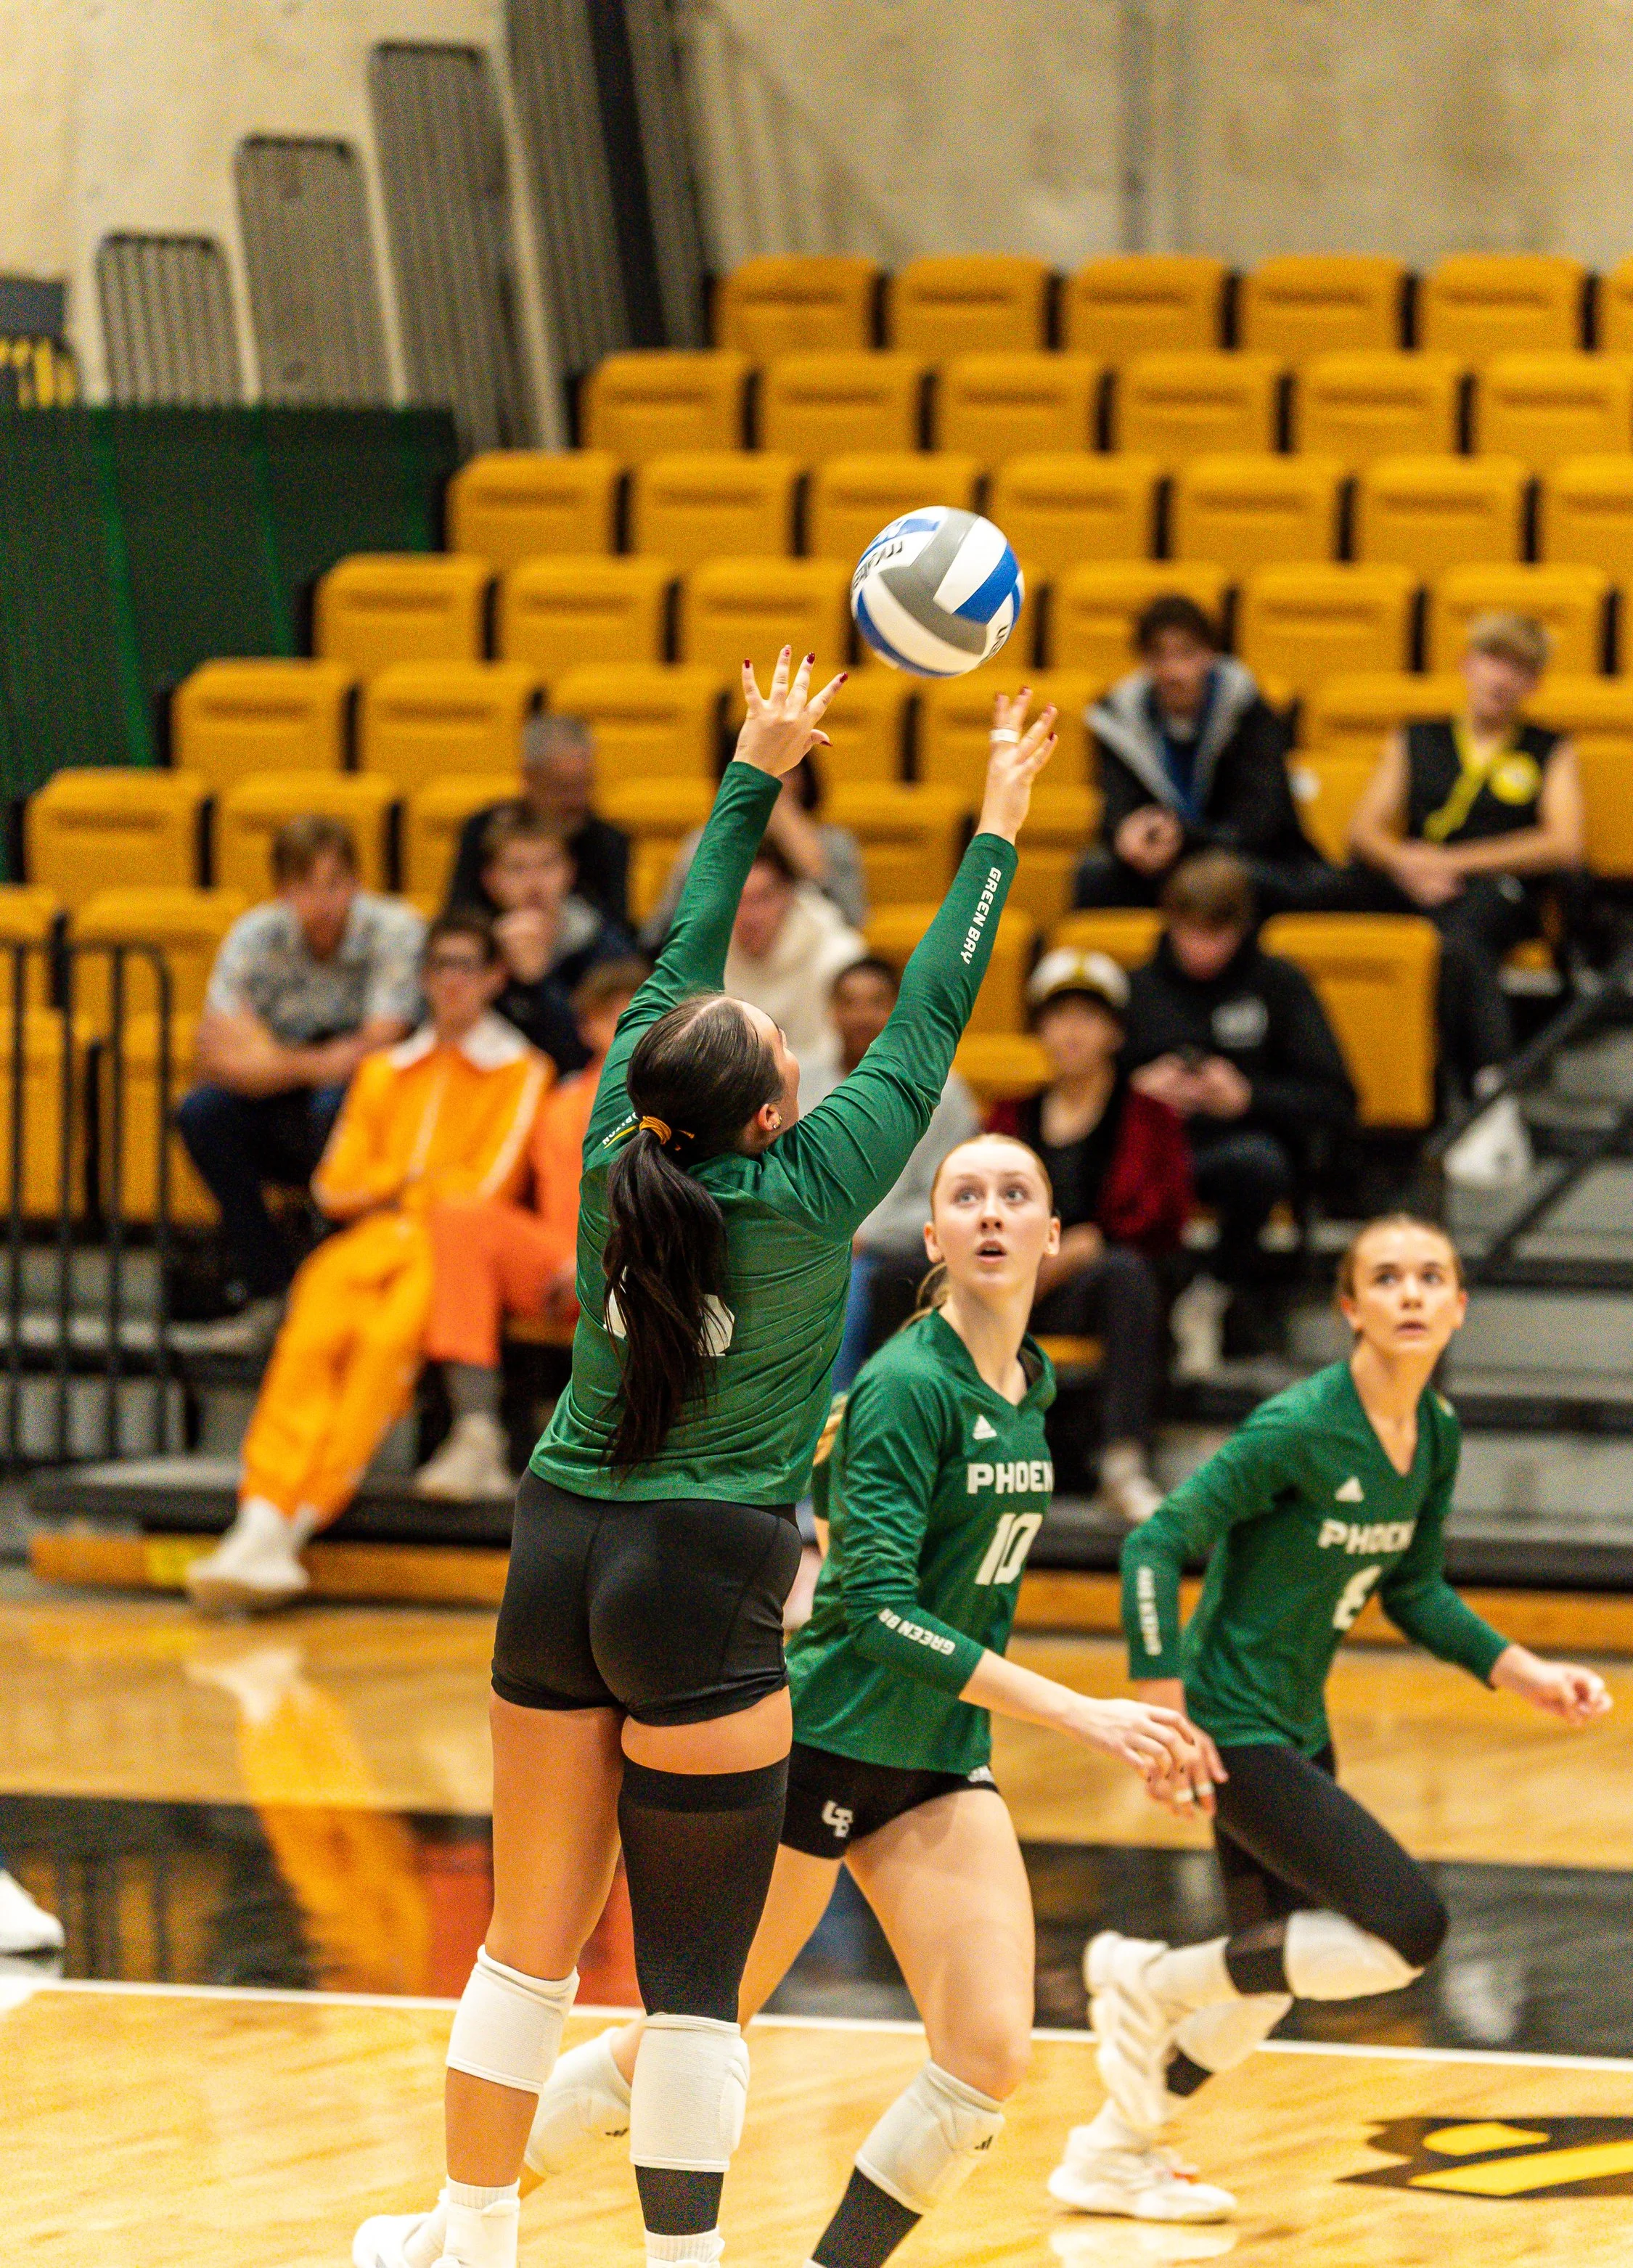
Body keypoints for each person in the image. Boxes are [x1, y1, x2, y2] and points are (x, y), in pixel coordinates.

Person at [354, 654, 1055, 2268]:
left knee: (522, 1958)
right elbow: (935, 998)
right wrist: (996, 818)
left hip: (557, 1545)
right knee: (685, 1978)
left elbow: (679, 948)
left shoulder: (617, 1140)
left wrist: (752, 772)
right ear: (768, 1104)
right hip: (705, 1573)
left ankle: (470, 2235)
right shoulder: (816, 1187)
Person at [353, 1134, 1221, 2268]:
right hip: (821, 1745)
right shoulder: (912, 1384)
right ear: (936, 1236)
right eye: (968, 1195)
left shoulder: (1032, 1386)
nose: (994, 1213)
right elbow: (874, 1610)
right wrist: (1084, 1711)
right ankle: (448, 2228)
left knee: (987, 2057)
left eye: (1019, 1196)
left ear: (1056, 1239)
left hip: (937, 1758)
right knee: (677, 2041)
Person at [1057, 1215, 1612, 2212]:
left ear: (1458, 1306)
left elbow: (1415, 1587)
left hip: (1295, 1724)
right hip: (1232, 1726)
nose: (1410, 1292)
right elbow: (1156, 1542)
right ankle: (1144, 1977)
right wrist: (1161, 1699)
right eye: (1386, 1277)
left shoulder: (1434, 1432)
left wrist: (1522, 1670)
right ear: (1350, 1307)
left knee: (1266, 1981)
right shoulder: (1300, 1427)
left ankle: (1112, 2144)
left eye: (1430, 1276)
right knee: (1407, 1928)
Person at [182, 913, 554, 1615]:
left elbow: (486, 1184)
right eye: (440, 967)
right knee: (311, 1335)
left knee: (385, 1347)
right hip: (372, 1239)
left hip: (445, 1245)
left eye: (467, 967)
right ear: (423, 978)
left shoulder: (519, 1069)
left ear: (495, 979)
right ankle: (259, 1514)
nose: (452, 982)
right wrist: (407, 1183)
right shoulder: (384, 1069)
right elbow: (332, 1183)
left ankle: (296, 1522)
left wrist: (394, 1183)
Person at [1346, 610, 1586, 1188]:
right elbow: (1364, 829)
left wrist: (1452, 862)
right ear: (1466, 665)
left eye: (1520, 668)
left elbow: (1564, 842)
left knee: (1460, 940)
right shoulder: (1417, 736)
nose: (1502, 678)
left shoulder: (1550, 749)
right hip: (1414, 882)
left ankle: (1490, 1093)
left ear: (1535, 684)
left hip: (1497, 891)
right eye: (1493, 661)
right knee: (1324, 898)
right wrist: (1406, 862)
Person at [179, 816, 423, 1336]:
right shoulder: (253, 934)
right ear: (281, 891)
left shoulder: (396, 928)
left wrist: (269, 1057)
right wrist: (313, 1063)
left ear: (356, 883)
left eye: (334, 883)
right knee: (201, 1113)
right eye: (303, 887)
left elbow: (381, 1043)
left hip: (369, 1102)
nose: (321, 901)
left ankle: (348, 1288)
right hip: (283, 1095)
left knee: (334, 1103)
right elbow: (214, 1056)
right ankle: (270, 1287)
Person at [414, 957, 649, 1500]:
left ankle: (626, 1448)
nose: (625, 1027)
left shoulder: (682, 1106)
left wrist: (600, 1259)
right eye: (609, 1016)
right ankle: (476, 1433)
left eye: (638, 1014)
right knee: (459, 1215)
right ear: (587, 1027)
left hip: (635, 1270)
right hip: (555, 1265)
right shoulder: (559, 1103)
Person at [986, 949, 1193, 1525]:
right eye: (1057, 1017)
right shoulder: (1008, 1114)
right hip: (1013, 1281)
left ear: (1114, 1032)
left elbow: (1165, 1215)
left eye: (1087, 1017)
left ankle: (1123, 1463)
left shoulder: (1150, 1116)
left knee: (1124, 1272)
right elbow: (977, 1201)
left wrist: (1089, 1244)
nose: (1071, 1032)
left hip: (1100, 1289)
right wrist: (1034, 1258)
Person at [1124, 853, 1355, 1358]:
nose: (1201, 949)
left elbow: (1336, 1097)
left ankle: (1216, 1293)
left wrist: (1248, 1096)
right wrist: (1138, 1091)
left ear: (1242, 928)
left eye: (1216, 934)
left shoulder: (1280, 984)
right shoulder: (1138, 987)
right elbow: (1084, 1088)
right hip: (1150, 1153)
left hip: (1238, 1148)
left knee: (1258, 1163)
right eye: (1189, 932)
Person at [1077, 594, 1327, 917]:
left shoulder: (1248, 711)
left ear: (1210, 654)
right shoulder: (1118, 718)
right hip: (1160, 864)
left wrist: (1185, 837)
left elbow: (1263, 821)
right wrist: (1126, 833)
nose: (1173, 671)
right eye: (1159, 656)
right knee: (1094, 875)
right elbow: (1116, 807)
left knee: (1249, 881)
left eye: (1185, 654)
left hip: (1244, 856)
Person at [796, 957, 980, 1392]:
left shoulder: (944, 1090)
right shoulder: (799, 1082)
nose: (861, 1016)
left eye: (876, 1002)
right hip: (808, 1242)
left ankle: (830, 1435)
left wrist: (862, 1235)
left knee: (846, 1286)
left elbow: (953, 1200)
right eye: (849, 1003)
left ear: (899, 1008)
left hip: (896, 1252)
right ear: (830, 1011)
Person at [443, 713, 634, 946]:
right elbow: (459, 918)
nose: (577, 801)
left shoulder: (609, 841)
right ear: (529, 779)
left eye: (585, 784)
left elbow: (617, 933)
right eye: (563, 788)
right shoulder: (483, 830)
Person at [643, 747, 867, 943]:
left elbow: (850, 922)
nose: (767, 783)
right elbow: (661, 932)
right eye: (754, 771)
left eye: (785, 770)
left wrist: (793, 831)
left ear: (804, 778)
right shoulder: (704, 841)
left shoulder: (835, 842)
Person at [464, 805, 607, 1075]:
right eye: (517, 869)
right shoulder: (472, 948)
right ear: (491, 880)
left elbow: (592, 1056)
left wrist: (540, 982)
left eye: (548, 865)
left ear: (570, 871)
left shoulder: (603, 945)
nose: (534, 883)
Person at [721, 834, 867, 1064]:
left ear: (789, 896)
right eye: (738, 900)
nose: (750, 916)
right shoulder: (702, 955)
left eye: (763, 898)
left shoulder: (839, 954)